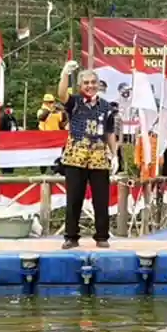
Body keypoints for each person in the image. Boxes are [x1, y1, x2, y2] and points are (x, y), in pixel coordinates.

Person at [57, 61, 118, 249]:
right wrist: (64, 74)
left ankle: (101, 236)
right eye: (86, 83)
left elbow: (109, 132)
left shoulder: (106, 107)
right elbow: (61, 95)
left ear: (98, 85)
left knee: (101, 199)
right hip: (76, 154)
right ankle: (71, 236)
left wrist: (114, 154)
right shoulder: (74, 102)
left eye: (93, 82)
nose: (90, 86)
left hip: (99, 155)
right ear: (80, 86)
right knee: (74, 198)